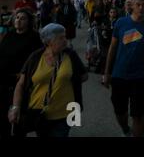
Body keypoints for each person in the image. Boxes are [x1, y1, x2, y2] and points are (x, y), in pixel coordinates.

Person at [8, 23, 88, 137]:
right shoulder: (35, 57)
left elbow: (84, 76)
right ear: (49, 41)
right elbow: (20, 84)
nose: (65, 40)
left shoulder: (71, 55)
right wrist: (16, 107)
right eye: (61, 38)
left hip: (65, 113)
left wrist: (68, 81)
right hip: (39, 114)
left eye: (65, 37)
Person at [103, 0, 144, 137]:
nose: (141, 8)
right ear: (132, 5)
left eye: (143, 5)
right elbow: (112, 48)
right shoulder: (121, 23)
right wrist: (107, 73)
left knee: (138, 115)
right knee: (120, 111)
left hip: (140, 77)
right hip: (119, 75)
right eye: (138, 5)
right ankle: (126, 129)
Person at [0, 9, 43, 138]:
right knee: (3, 117)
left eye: (22, 18)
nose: (18, 20)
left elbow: (38, 60)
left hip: (21, 83)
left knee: (19, 119)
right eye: (17, 17)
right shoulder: (9, 35)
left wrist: (25, 74)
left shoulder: (34, 38)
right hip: (3, 81)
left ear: (29, 22)